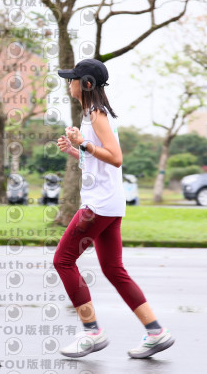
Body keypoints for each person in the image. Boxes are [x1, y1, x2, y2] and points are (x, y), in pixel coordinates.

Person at [54, 58, 175, 359]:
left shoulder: (96, 115)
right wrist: (75, 150)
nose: (68, 83)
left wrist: (84, 144)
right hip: (110, 203)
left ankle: (91, 332)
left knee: (63, 261)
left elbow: (116, 157)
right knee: (113, 269)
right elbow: (100, 162)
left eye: (72, 79)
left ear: (86, 84)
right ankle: (156, 332)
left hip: (97, 206)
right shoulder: (94, 114)